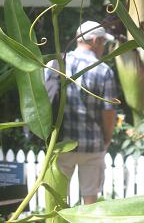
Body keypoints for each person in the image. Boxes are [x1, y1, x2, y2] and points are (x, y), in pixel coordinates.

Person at [44, 21, 117, 204]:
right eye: (103, 43)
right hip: (92, 145)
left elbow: (44, 101)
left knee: (58, 198)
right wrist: (106, 138)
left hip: (60, 144)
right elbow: (108, 112)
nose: (104, 48)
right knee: (90, 200)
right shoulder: (103, 70)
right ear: (95, 40)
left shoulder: (54, 64)